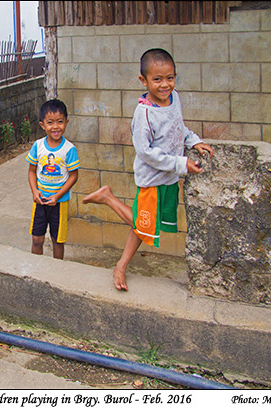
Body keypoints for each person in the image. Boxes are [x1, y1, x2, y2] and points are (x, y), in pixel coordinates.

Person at [83, 48, 214, 291]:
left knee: (147, 228)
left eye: (170, 78)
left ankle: (121, 261)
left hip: (170, 177)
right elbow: (145, 153)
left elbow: (178, 128)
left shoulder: (175, 98)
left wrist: (193, 140)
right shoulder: (144, 114)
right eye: (158, 79)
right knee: (144, 227)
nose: (165, 85)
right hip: (153, 178)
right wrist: (181, 163)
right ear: (143, 80)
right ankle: (109, 202)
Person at [26, 99, 80, 259]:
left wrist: (57, 195)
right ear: (43, 125)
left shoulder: (69, 149)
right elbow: (31, 171)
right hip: (40, 201)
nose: (55, 127)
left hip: (60, 202)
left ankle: (57, 271)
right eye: (50, 122)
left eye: (60, 122)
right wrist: (34, 192)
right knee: (37, 239)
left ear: (66, 122)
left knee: (57, 241)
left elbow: (74, 176)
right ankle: (37, 269)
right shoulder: (38, 146)